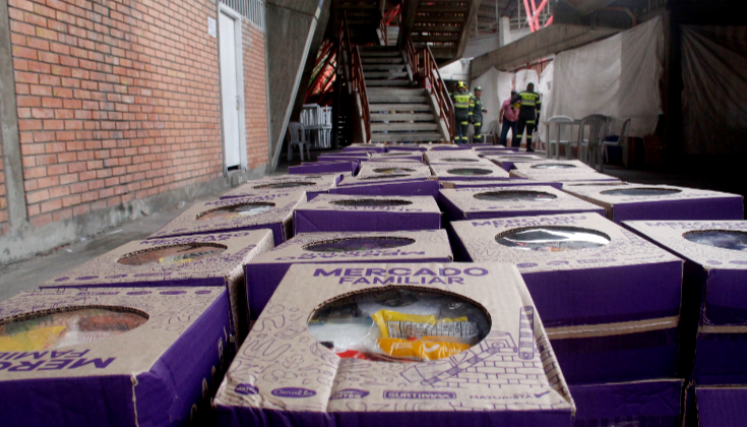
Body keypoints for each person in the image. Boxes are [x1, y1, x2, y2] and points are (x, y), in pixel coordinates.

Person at [510, 83, 542, 152]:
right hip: (531, 117)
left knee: (519, 133)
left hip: (522, 116)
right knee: (529, 134)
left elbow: (512, 101)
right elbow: (539, 109)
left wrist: (514, 108)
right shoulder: (536, 95)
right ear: (533, 88)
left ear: (527, 87)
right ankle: (528, 148)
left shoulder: (522, 93)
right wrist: (537, 120)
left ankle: (516, 147)